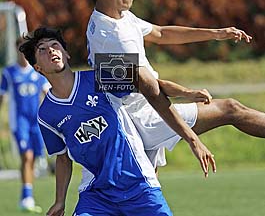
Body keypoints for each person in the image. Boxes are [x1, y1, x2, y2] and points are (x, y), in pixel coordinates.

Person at [81, 0, 265, 169]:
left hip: (139, 111)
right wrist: (192, 138)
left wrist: (216, 33)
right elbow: (151, 91)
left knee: (142, 195)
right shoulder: (112, 36)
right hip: (141, 118)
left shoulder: (111, 17)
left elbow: (160, 34)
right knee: (230, 109)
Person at [19, 27, 217, 215]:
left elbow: (150, 83)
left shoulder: (100, 74)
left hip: (139, 184)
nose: (51, 51)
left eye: (55, 45)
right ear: (37, 67)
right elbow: (62, 158)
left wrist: (188, 93)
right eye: (42, 50)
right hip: (97, 195)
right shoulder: (46, 114)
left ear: (67, 53)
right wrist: (60, 200)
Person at [0, 37, 50, 213]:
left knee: (33, 158)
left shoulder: (38, 72)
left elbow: (48, 94)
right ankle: (26, 196)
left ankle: (27, 195)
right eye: (21, 48)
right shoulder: (9, 73)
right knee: (26, 156)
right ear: (16, 50)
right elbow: (2, 96)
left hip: (36, 122)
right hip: (19, 121)